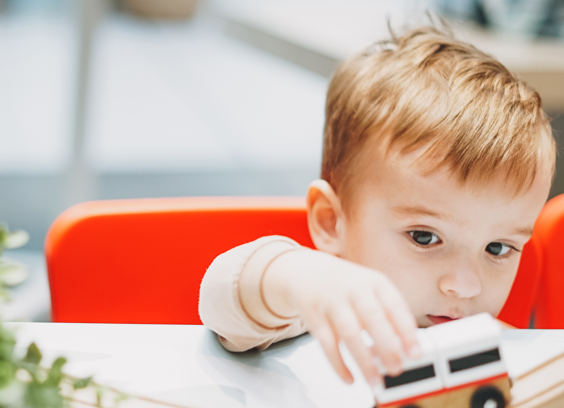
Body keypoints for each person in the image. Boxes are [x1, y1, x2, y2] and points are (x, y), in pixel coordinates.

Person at [199, 27, 555, 386]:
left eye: (497, 248)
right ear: (331, 221)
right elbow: (219, 300)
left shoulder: (496, 340)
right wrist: (301, 279)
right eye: (424, 237)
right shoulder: (324, 310)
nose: (464, 286)